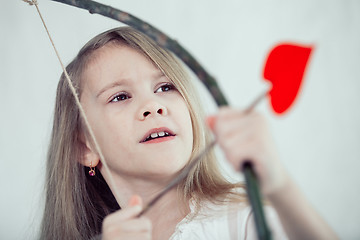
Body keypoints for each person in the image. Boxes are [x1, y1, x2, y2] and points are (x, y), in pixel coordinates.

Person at [39, 26, 337, 240]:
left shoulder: (245, 218)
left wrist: (279, 184)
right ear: (83, 147)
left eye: (165, 87)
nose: (153, 105)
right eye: (120, 97)